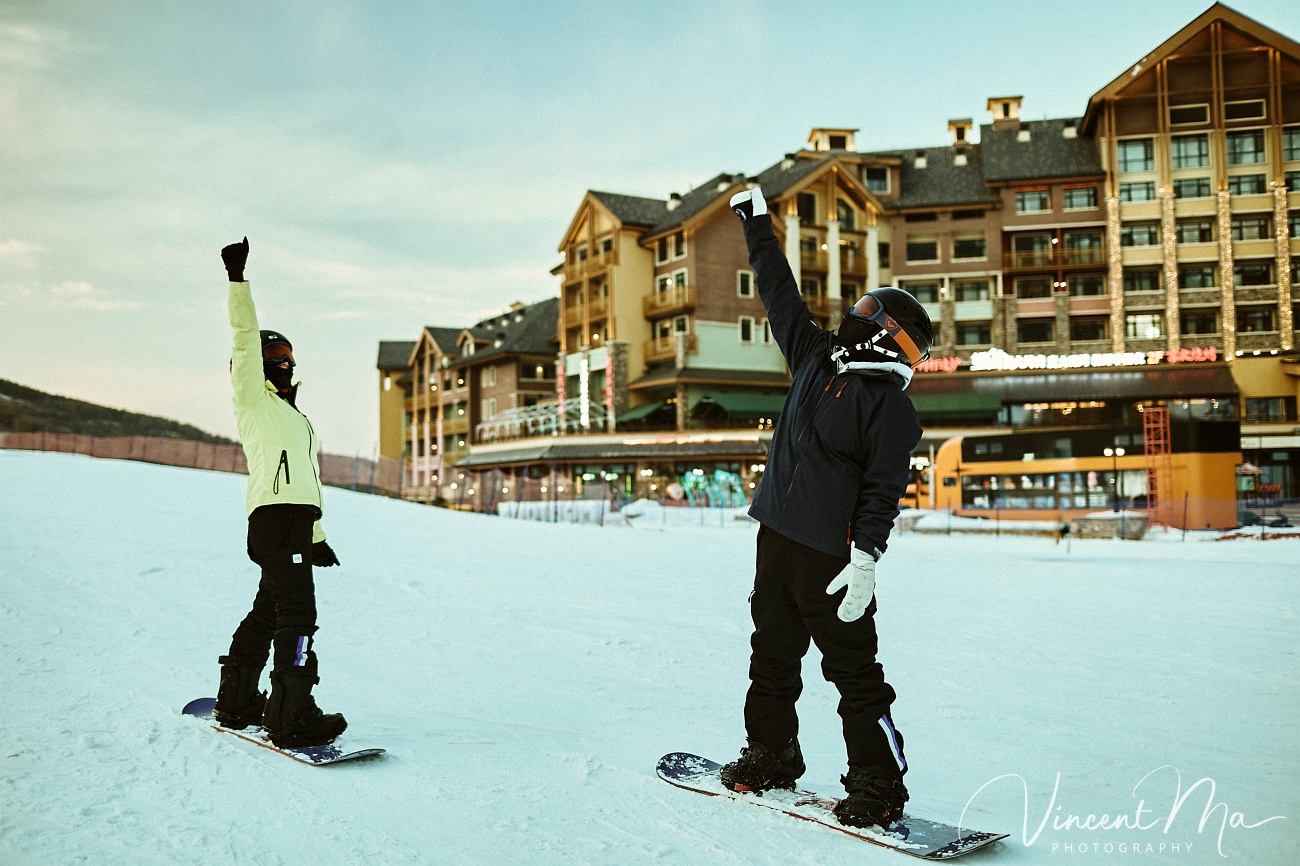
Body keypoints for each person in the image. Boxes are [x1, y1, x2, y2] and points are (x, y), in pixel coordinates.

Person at [721, 187, 930, 829]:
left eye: (867, 310)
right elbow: (779, 292)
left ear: (890, 334)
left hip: (832, 558)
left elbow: (882, 491)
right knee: (771, 656)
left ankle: (878, 783)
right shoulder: (814, 360)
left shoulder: (889, 407)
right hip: (776, 539)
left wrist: (866, 558)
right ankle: (773, 752)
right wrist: (757, 222)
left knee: (854, 674)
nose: (852, 312)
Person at [212, 236, 347, 748]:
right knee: (298, 615)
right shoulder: (254, 400)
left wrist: (316, 535)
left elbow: (304, 481)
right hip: (273, 521)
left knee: (268, 613)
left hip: (290, 523)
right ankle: (292, 714)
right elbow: (243, 336)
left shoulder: (294, 417)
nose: (285, 364)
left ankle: (238, 699)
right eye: (275, 356)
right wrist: (238, 279)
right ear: (259, 366)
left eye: (290, 356)